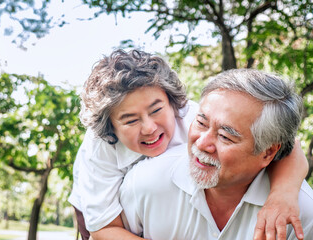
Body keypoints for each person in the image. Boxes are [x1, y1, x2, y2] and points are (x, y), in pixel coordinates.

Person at [67, 50, 308, 240]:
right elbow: (103, 229)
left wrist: (282, 195)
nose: (149, 128)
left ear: (173, 103)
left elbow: (287, 145)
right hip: (97, 207)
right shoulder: (100, 146)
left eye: (156, 110)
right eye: (130, 120)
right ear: (110, 127)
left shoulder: (197, 118)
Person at [119, 69, 313, 240]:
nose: (202, 143)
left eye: (225, 136)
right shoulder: (144, 183)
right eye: (201, 123)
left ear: (268, 152)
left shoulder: (300, 215)